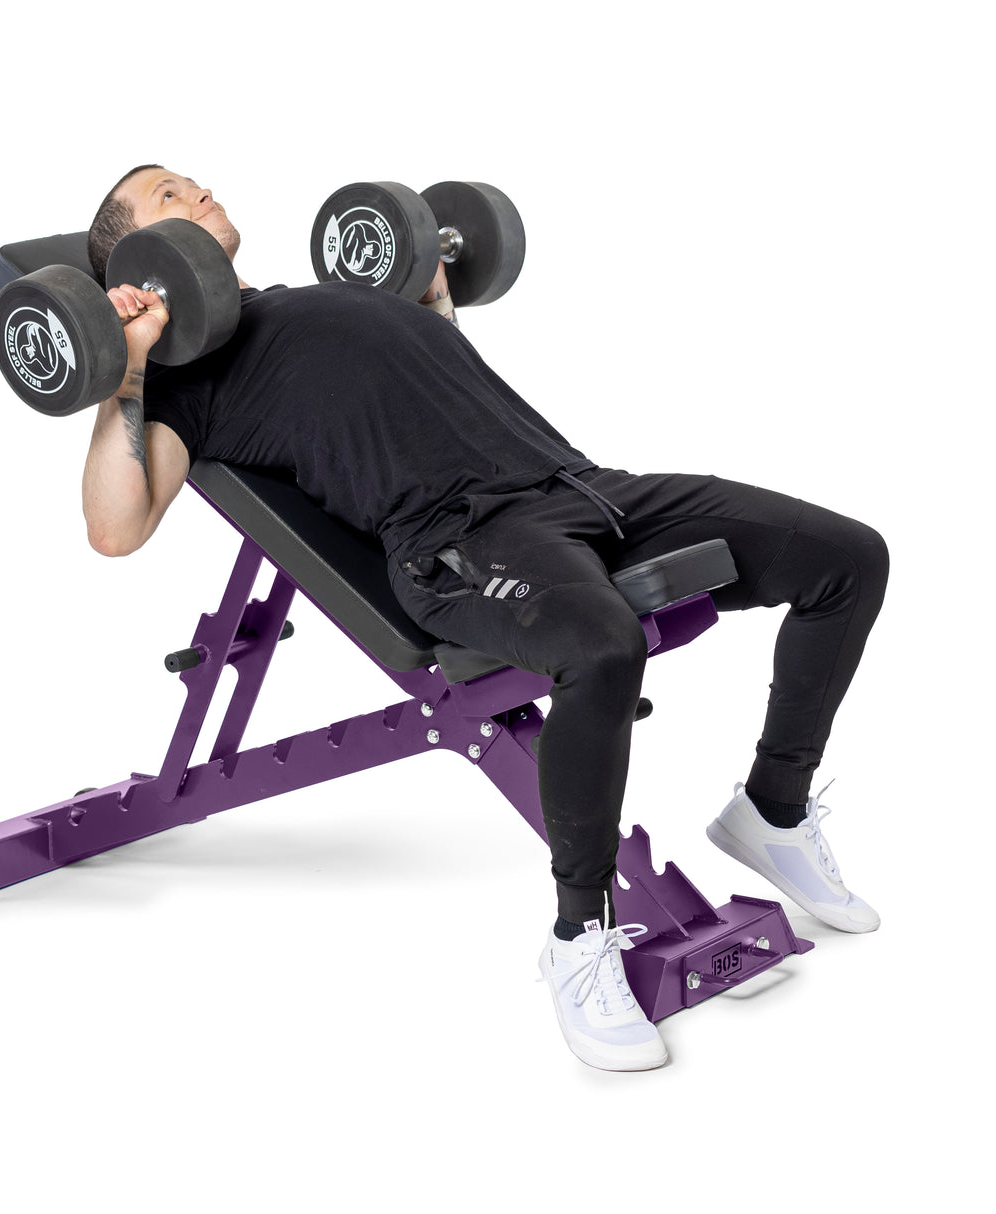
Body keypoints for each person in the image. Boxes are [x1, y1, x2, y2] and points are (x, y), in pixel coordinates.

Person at [82, 165, 889, 1072]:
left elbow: (430, 401)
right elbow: (114, 529)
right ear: (134, 257)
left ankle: (771, 813)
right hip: (459, 542)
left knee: (847, 558)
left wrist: (431, 297)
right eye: (168, 194)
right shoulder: (181, 381)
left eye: (194, 178)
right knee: (600, 647)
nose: (199, 190)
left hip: (581, 488)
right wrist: (128, 370)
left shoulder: (312, 298)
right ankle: (581, 937)